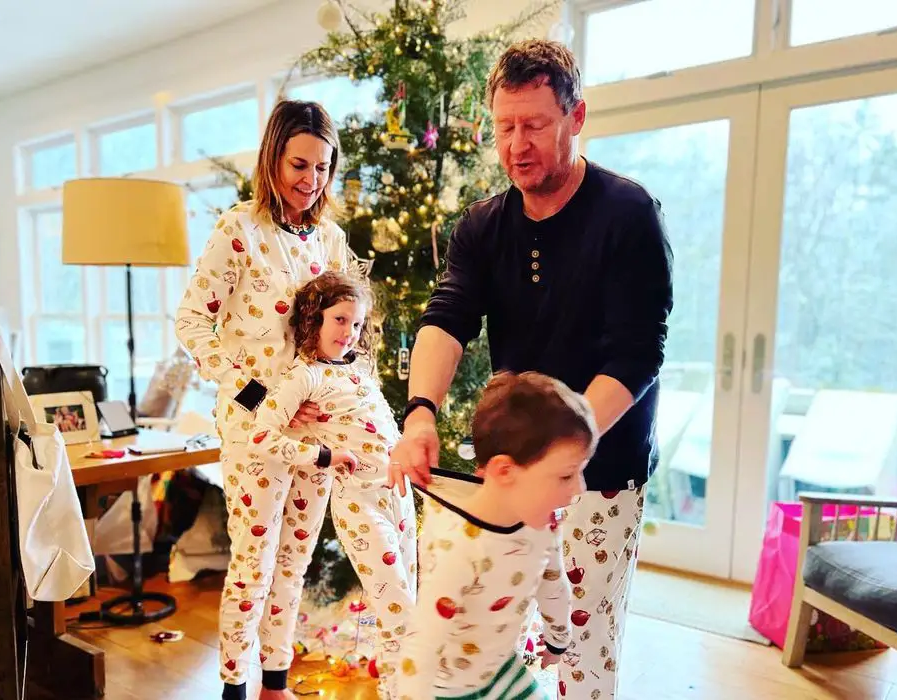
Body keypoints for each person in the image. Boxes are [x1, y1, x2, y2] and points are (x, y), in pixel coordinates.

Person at [387, 39, 674, 700]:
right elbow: (447, 316)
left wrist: (563, 450)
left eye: (536, 125)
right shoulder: (484, 225)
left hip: (599, 470)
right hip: (512, 480)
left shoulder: (628, 214)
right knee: (506, 638)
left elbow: (638, 352)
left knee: (583, 643)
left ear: (576, 117)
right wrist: (421, 412)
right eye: (505, 127)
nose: (517, 144)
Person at [175, 99, 354, 700]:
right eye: (299, 164)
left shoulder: (331, 239)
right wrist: (259, 397)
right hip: (254, 429)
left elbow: (349, 332)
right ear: (272, 158)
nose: (311, 181)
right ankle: (232, 686)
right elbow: (193, 324)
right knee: (253, 565)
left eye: (323, 168)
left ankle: (274, 682)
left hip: (316, 427)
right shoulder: (239, 231)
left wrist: (334, 398)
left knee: (294, 563)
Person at [246, 271, 418, 700]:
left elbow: (381, 424)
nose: (349, 332)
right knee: (400, 611)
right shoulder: (304, 377)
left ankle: (400, 690)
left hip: (398, 491)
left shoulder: (360, 366)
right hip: (359, 503)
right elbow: (262, 436)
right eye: (340, 320)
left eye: (356, 324)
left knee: (404, 605)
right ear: (315, 319)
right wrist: (323, 457)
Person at [396, 371, 597, 700]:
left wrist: (558, 638)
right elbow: (422, 646)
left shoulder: (543, 524)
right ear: (505, 471)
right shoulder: (460, 550)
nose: (579, 490)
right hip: (446, 690)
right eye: (565, 475)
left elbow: (552, 581)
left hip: (501, 670)